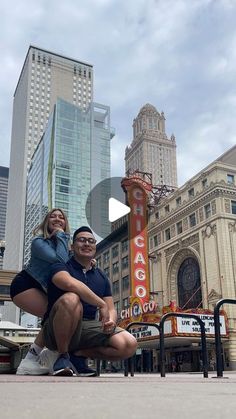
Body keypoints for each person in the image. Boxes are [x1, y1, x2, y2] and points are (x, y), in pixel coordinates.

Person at [42, 226, 137, 376]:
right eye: (82, 240)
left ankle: (78, 356)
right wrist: (100, 304)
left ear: (95, 248)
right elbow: (69, 284)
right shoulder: (60, 266)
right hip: (55, 330)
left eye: (91, 241)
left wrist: (110, 321)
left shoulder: (101, 276)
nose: (87, 243)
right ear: (72, 247)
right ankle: (62, 357)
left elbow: (111, 308)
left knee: (128, 344)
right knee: (72, 298)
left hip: (86, 329)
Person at [10, 208, 71, 375]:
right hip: (25, 285)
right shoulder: (39, 241)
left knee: (56, 315)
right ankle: (30, 359)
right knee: (53, 315)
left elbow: (71, 265)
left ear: (66, 223)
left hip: (42, 289)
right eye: (53, 216)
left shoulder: (64, 245)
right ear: (47, 222)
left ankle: (49, 355)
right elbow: (61, 261)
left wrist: (89, 262)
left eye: (61, 217)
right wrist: (61, 235)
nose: (57, 219)